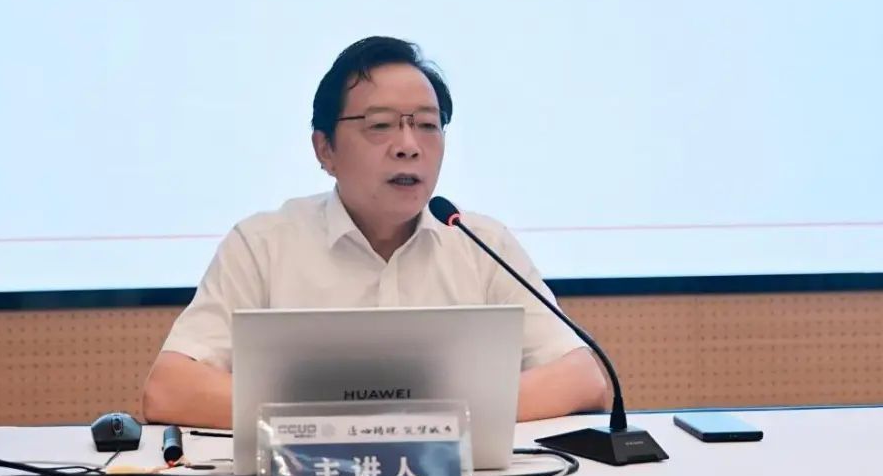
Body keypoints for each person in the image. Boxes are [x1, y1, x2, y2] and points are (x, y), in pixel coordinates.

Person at [143, 36, 611, 427]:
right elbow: (169, 389)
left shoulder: (482, 244)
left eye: (427, 125)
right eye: (381, 125)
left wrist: (420, 422)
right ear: (324, 149)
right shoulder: (263, 245)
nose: (408, 146)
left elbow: (583, 377)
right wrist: (361, 424)